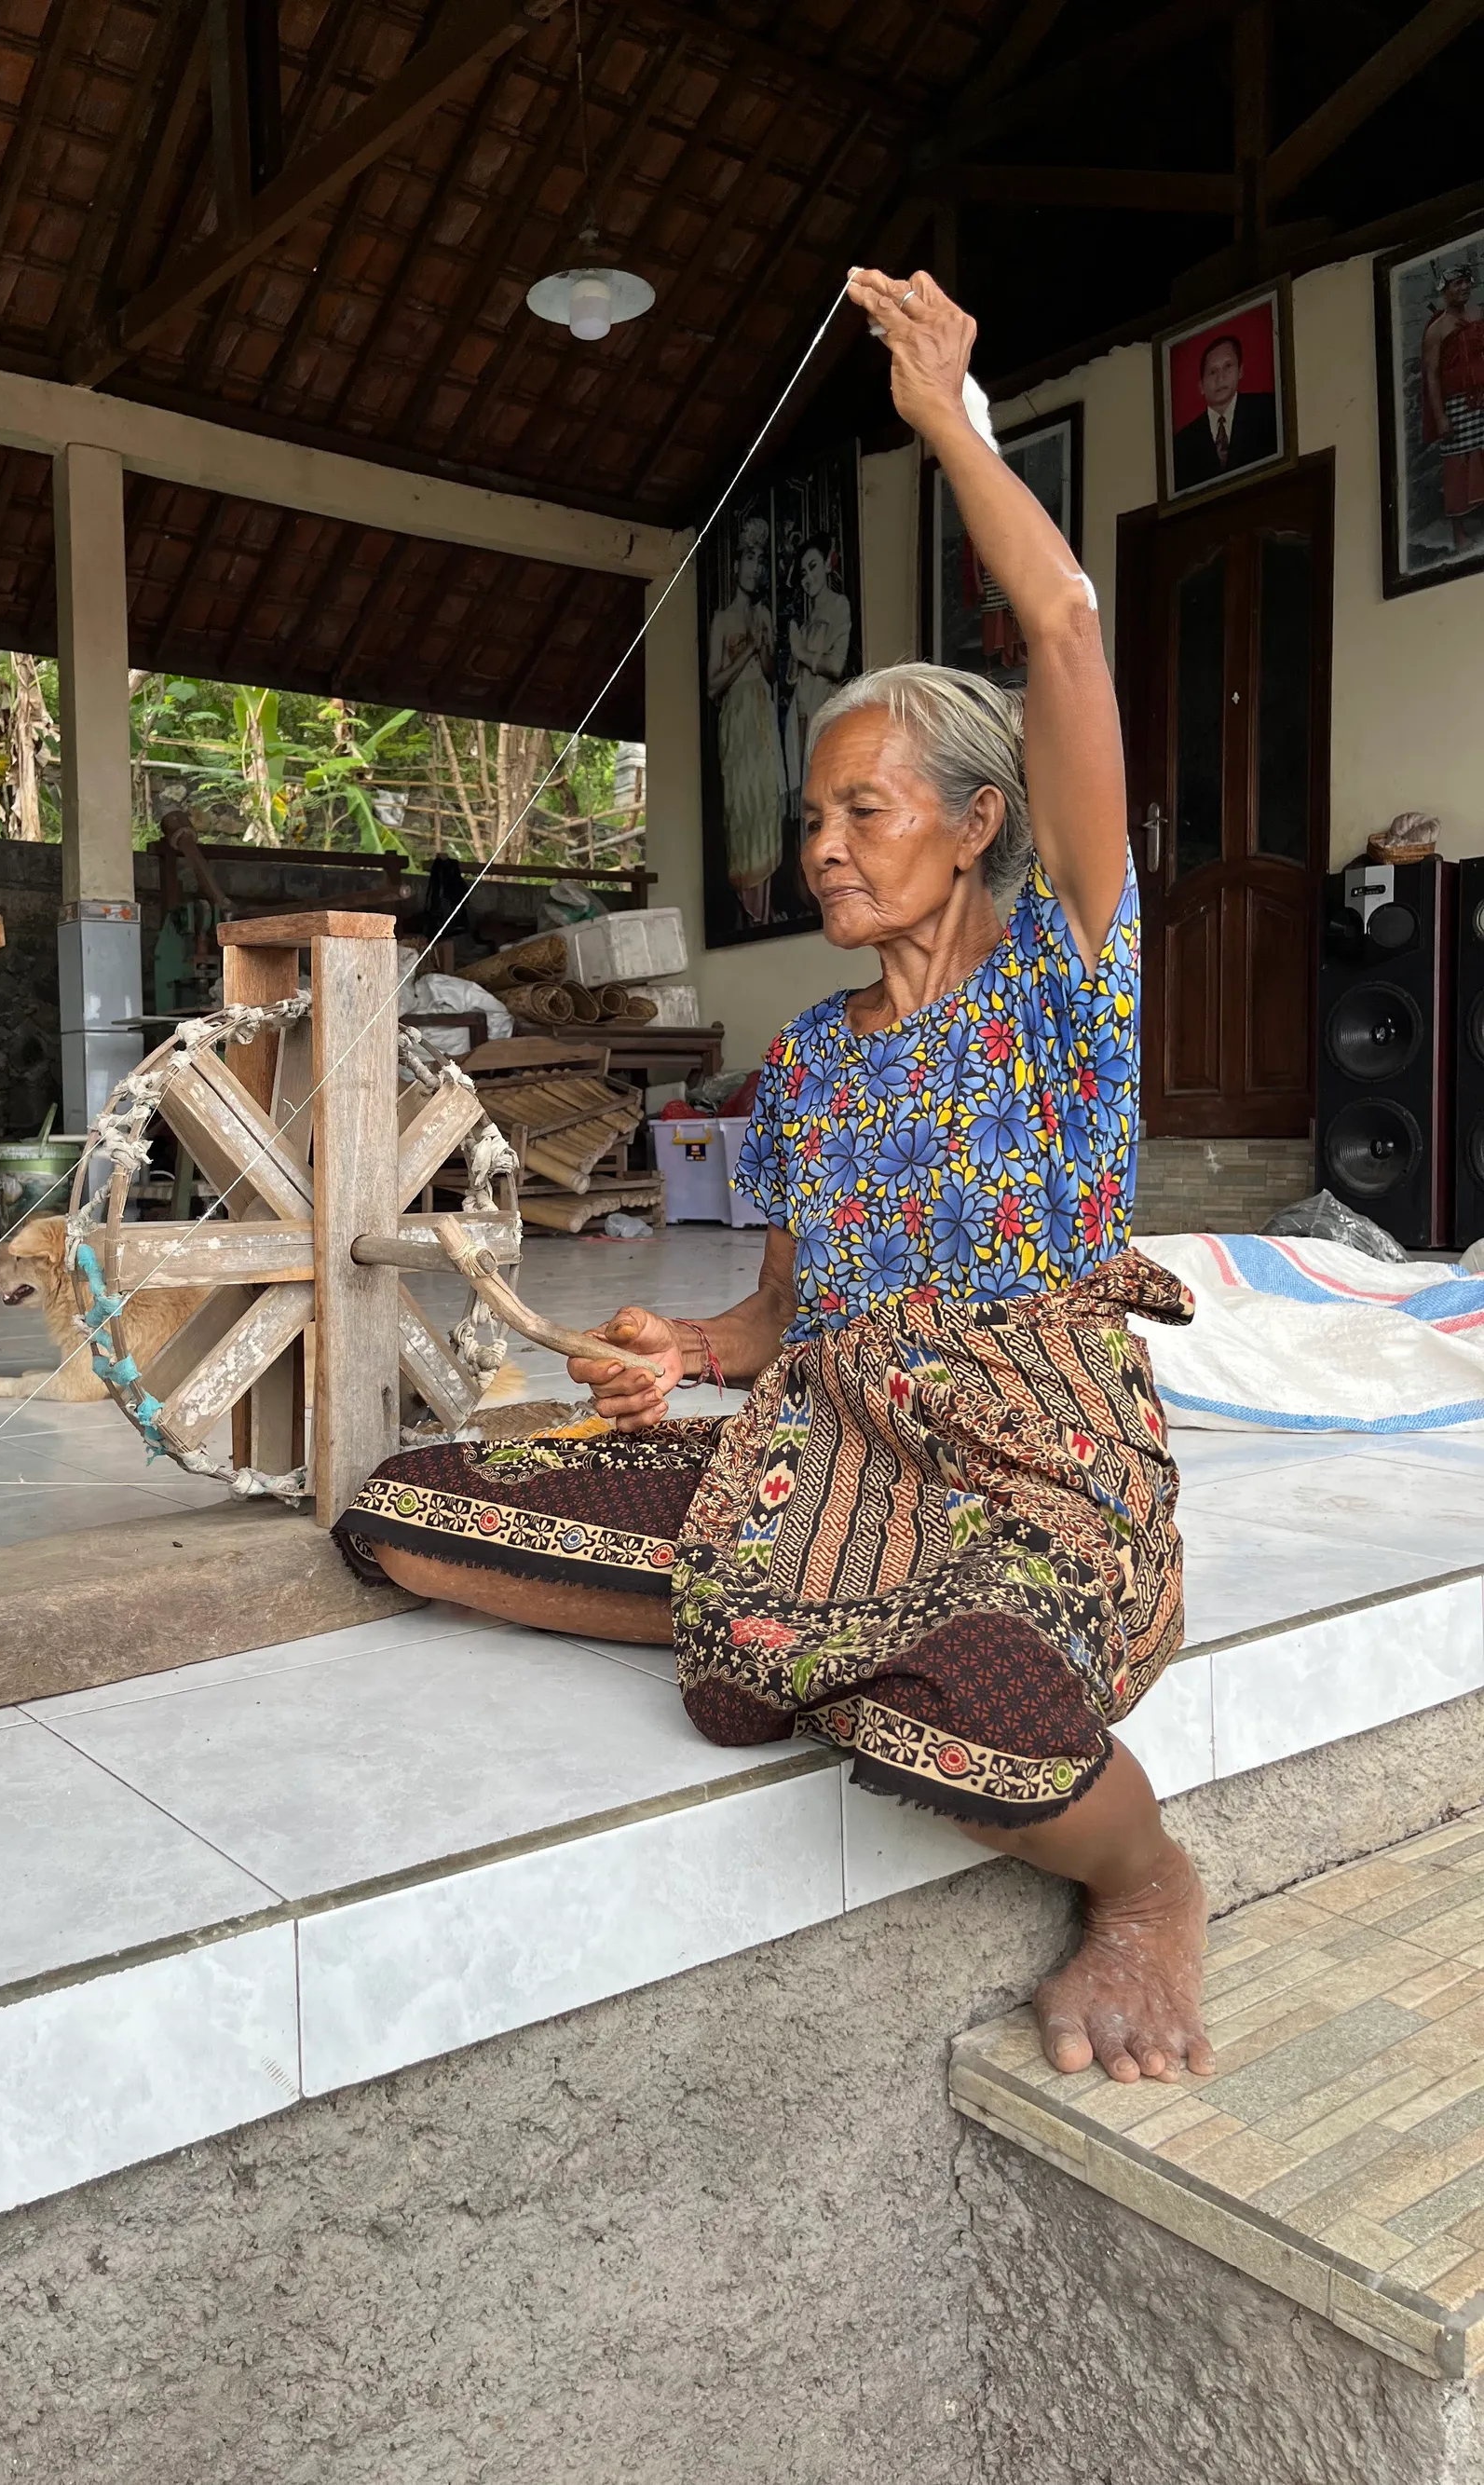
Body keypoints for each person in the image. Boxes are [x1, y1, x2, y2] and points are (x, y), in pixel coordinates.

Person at [335, 267, 1212, 2091]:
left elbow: (1058, 630)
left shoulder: (1067, 969)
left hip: (1032, 1447)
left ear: (980, 824)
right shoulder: (810, 1063)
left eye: (861, 810)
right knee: (406, 1511)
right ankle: (812, 1608)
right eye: (806, 815)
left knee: (952, 1713)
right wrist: (687, 1353)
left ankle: (1141, 1875)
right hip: (826, 1441)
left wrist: (951, 417)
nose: (817, 843)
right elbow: (777, 1315)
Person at [705, 512, 787, 923]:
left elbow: (772, 673)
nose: (755, 568)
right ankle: (748, 908)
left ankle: (767, 906)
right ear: (736, 565)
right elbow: (713, 685)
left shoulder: (764, 615)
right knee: (742, 808)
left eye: (761, 561)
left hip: (761, 716)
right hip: (736, 722)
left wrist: (765, 647)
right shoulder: (723, 620)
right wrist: (747, 652)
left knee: (766, 805)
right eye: (749, 560)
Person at [784, 532, 853, 818]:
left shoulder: (839, 606)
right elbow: (792, 674)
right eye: (803, 572)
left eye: (813, 566)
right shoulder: (807, 618)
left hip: (823, 703)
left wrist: (801, 652)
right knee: (801, 790)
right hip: (801, 706)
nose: (807, 577)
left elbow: (836, 666)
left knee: (822, 789)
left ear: (828, 564)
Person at [1422, 260, 1484, 551]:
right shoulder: (1436, 330)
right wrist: (1441, 417)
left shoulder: (1479, 314)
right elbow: (1432, 377)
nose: (1464, 287)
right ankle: (1459, 535)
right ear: (1444, 291)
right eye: (1457, 283)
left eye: (1466, 281)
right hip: (1457, 406)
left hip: (1483, 397)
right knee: (1457, 466)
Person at [1171, 330, 1279, 494]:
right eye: (1212, 372)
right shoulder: (1181, 443)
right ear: (1201, 386)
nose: (1220, 378)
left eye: (1228, 366)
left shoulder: (1269, 410)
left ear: (1240, 371)